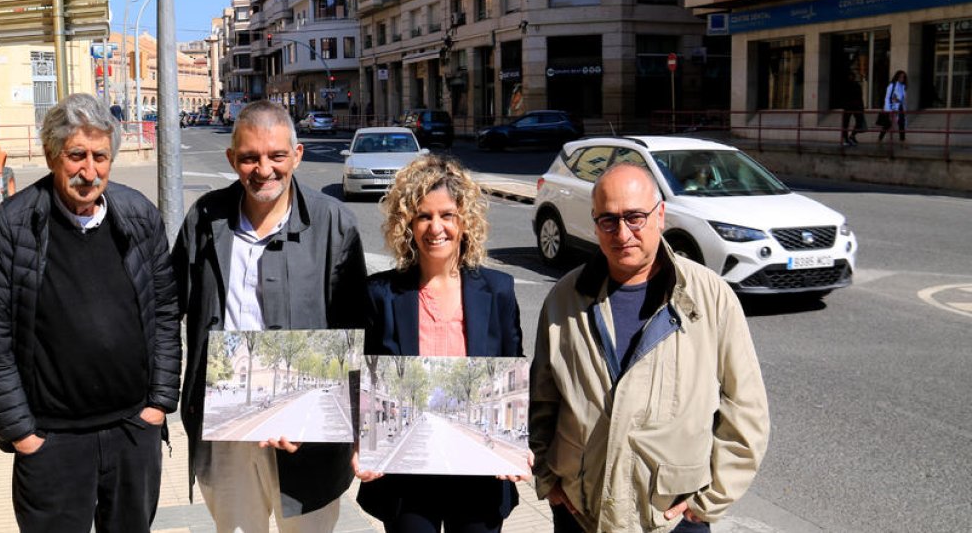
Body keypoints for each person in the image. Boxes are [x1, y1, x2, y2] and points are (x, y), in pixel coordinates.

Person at [0, 93, 181, 532]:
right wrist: (23, 436)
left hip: (131, 433)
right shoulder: (12, 227)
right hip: (52, 442)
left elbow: (164, 315)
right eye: (76, 155)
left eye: (100, 157)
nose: (89, 170)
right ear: (51, 155)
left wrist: (159, 404)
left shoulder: (139, 217)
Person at [529, 163, 769, 533]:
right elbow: (541, 400)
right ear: (595, 224)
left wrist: (711, 499)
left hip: (672, 520)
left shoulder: (710, 297)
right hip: (580, 513)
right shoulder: (565, 299)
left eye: (635, 218)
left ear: (660, 215)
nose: (622, 233)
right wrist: (547, 475)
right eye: (608, 220)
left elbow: (745, 409)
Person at [173, 100, 372, 533]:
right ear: (232, 159)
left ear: (296, 156)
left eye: (276, 156)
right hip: (225, 427)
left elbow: (356, 332)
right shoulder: (205, 220)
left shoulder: (333, 223)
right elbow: (167, 309)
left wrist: (352, 422)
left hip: (309, 434)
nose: (263, 170)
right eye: (249, 158)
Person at [357, 155, 524, 533]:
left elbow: (513, 373)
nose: (436, 228)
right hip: (407, 473)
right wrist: (360, 444)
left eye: (447, 215)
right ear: (408, 224)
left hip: (479, 469)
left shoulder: (498, 291)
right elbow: (365, 381)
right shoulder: (381, 294)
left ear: (464, 220)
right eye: (423, 216)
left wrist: (514, 443)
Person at [879, 70, 908, 142]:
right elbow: (887, 97)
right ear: (897, 77)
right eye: (901, 77)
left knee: (902, 123)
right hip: (892, 108)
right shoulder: (892, 85)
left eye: (903, 77)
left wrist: (904, 109)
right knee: (887, 124)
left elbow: (902, 100)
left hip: (900, 107)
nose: (902, 79)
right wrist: (888, 110)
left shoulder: (903, 87)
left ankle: (902, 140)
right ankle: (880, 139)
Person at [840, 74, 867, 146]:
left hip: (855, 106)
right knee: (846, 123)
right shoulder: (846, 85)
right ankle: (846, 138)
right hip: (849, 106)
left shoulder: (856, 85)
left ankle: (851, 136)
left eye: (852, 76)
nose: (851, 78)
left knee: (859, 121)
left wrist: (861, 107)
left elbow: (860, 97)